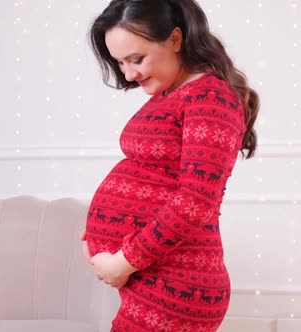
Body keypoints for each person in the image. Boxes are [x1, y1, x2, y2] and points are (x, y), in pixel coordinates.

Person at [80, 0, 259, 331]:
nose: (129, 74)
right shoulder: (171, 94)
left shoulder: (209, 97)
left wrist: (123, 260)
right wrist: (101, 231)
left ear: (175, 39)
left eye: (137, 59)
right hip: (150, 276)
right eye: (120, 63)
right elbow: (155, 179)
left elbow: (196, 200)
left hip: (178, 285)